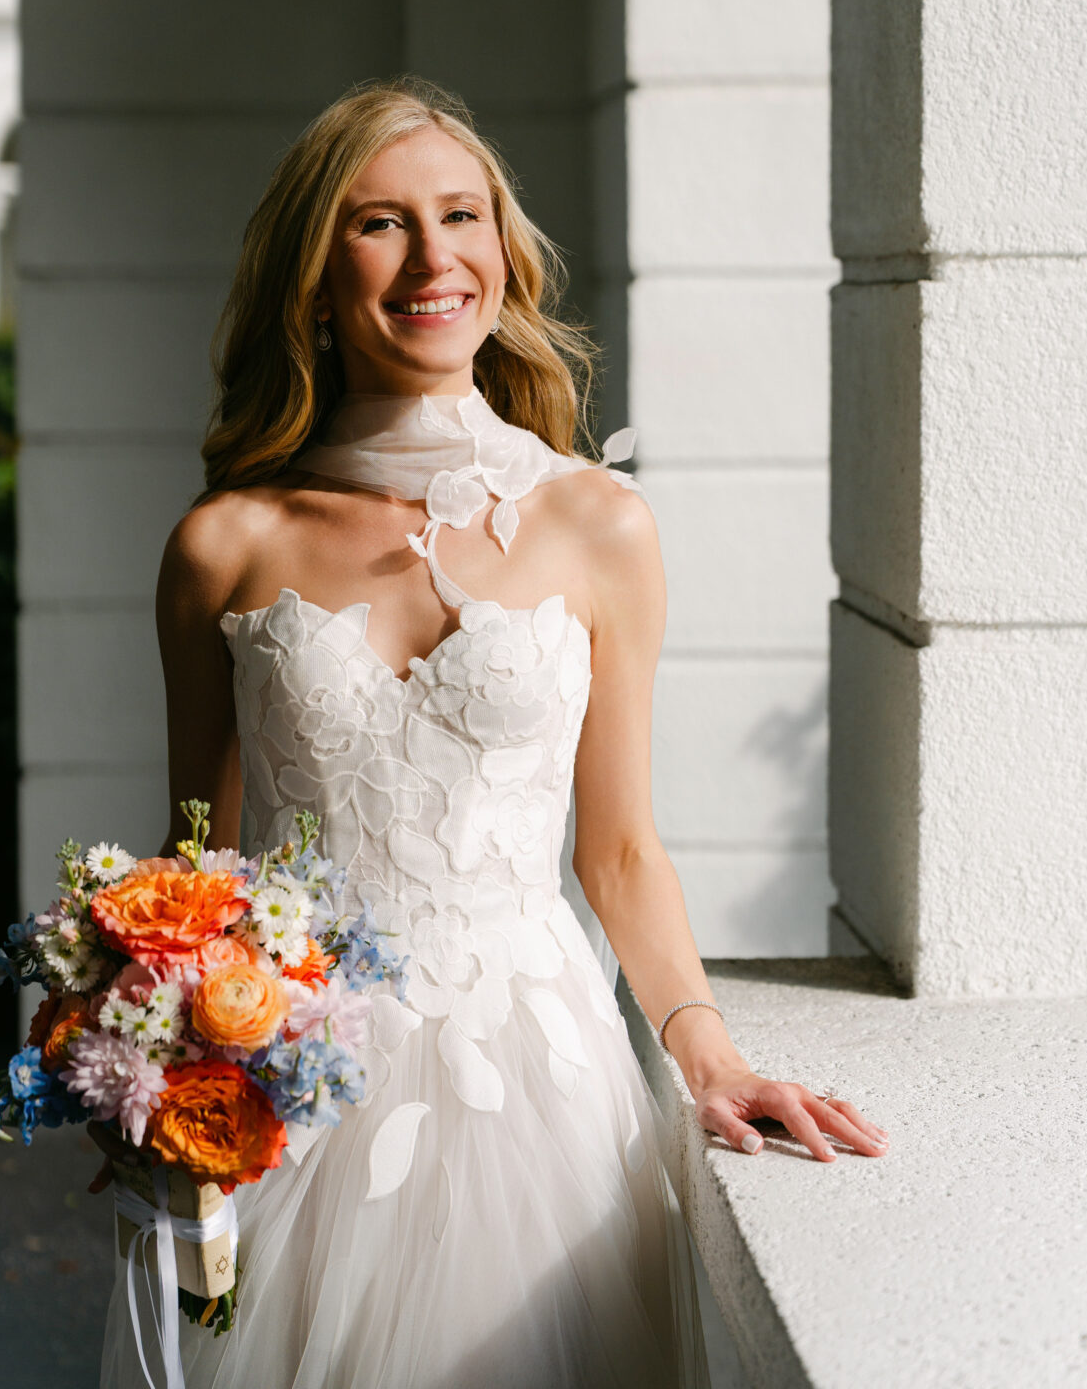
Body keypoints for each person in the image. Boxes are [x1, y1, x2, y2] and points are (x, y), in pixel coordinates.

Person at [98, 75, 888, 1389]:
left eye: (460, 215)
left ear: (504, 254)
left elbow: (622, 853)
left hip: (539, 1086)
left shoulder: (597, 526)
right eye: (382, 223)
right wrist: (147, 1072)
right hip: (302, 1094)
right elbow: (201, 875)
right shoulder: (224, 547)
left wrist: (711, 1054)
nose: (433, 256)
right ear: (316, 272)